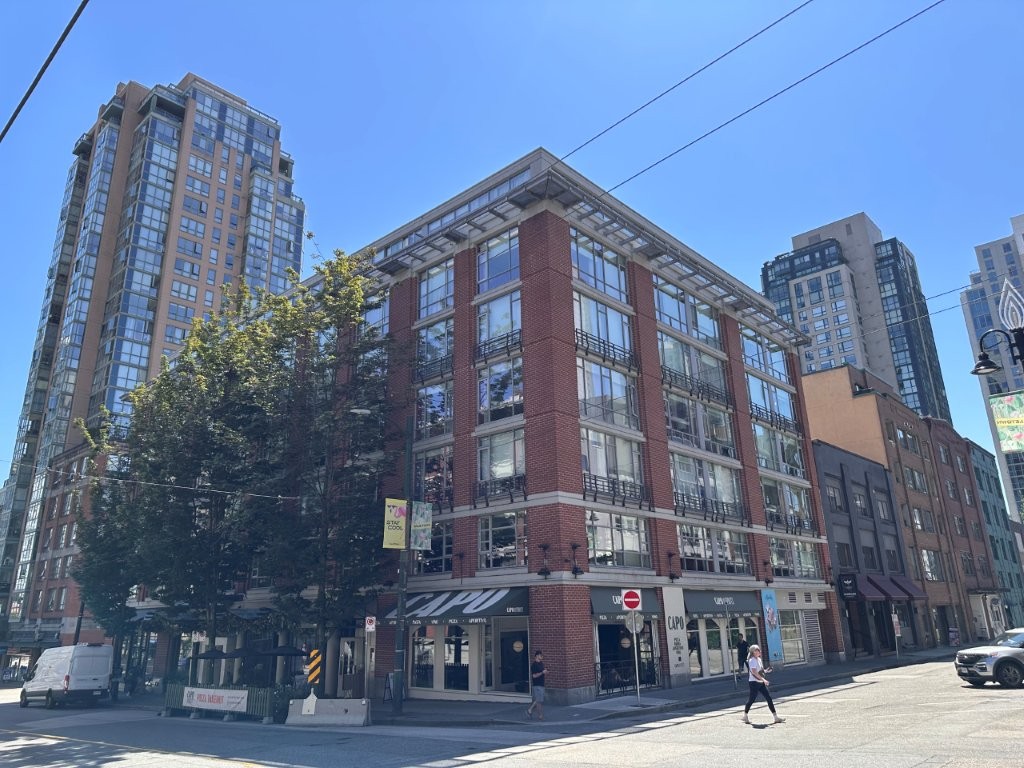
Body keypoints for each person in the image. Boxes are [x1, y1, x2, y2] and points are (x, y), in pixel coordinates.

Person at [741, 644, 784, 724]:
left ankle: (775, 717)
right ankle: (745, 715)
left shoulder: (759, 659)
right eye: (756, 650)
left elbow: (760, 670)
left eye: (759, 650)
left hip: (760, 682)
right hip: (754, 683)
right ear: (753, 652)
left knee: (769, 698)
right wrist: (764, 679)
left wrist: (766, 670)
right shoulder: (752, 660)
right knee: (752, 699)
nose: (759, 651)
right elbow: (754, 672)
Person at [526, 650, 546, 720]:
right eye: (541, 655)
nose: (542, 656)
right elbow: (534, 676)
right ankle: (540, 715)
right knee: (539, 701)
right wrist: (542, 672)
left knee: (539, 700)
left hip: (542, 684)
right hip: (537, 685)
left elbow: (542, 671)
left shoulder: (541, 663)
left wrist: (545, 672)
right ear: (537, 656)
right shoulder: (534, 665)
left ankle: (529, 710)